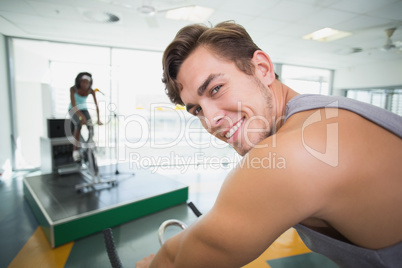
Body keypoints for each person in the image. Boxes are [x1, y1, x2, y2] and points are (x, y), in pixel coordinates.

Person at [136, 21, 402, 267]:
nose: (212, 120)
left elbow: (177, 261)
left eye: (216, 89)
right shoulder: (322, 114)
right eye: (197, 110)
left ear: (262, 68)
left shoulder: (295, 153)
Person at [68, 72, 102, 161]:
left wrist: (99, 119)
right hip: (73, 109)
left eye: (87, 82)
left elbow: (96, 105)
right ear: (79, 82)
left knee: (90, 125)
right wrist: (81, 116)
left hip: (84, 109)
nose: (85, 84)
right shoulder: (73, 89)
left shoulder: (91, 91)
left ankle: (90, 142)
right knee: (78, 124)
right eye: (83, 82)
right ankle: (75, 151)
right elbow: (74, 105)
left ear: (90, 83)